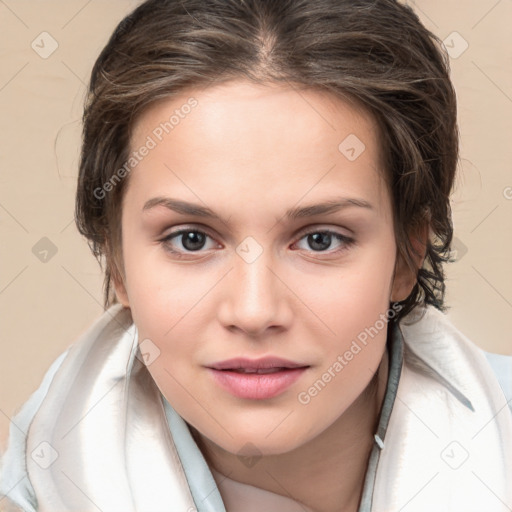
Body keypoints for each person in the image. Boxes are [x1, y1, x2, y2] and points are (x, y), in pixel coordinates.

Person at [1, 0, 511, 511]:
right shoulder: (37, 487)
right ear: (117, 262)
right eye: (191, 239)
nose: (254, 311)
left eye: (320, 239)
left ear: (407, 256)